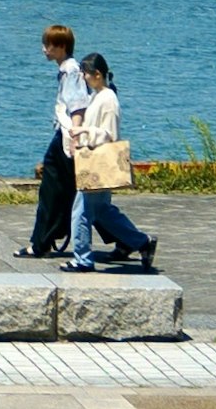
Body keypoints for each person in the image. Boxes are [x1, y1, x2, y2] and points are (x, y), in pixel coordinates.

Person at [66, 51, 155, 272]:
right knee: (103, 211)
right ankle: (141, 242)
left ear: (97, 74)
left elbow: (108, 133)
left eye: (86, 74)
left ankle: (83, 259)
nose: (84, 78)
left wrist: (83, 130)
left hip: (97, 162)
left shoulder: (107, 100)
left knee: (82, 212)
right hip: (96, 161)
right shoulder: (99, 96)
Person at [23, 24, 87, 259]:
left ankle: (40, 243)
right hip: (65, 134)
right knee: (72, 190)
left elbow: (77, 105)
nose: (44, 49)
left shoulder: (71, 71)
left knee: (58, 189)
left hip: (67, 136)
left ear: (61, 47)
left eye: (48, 45)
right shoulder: (67, 70)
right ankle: (42, 241)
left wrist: (74, 138)